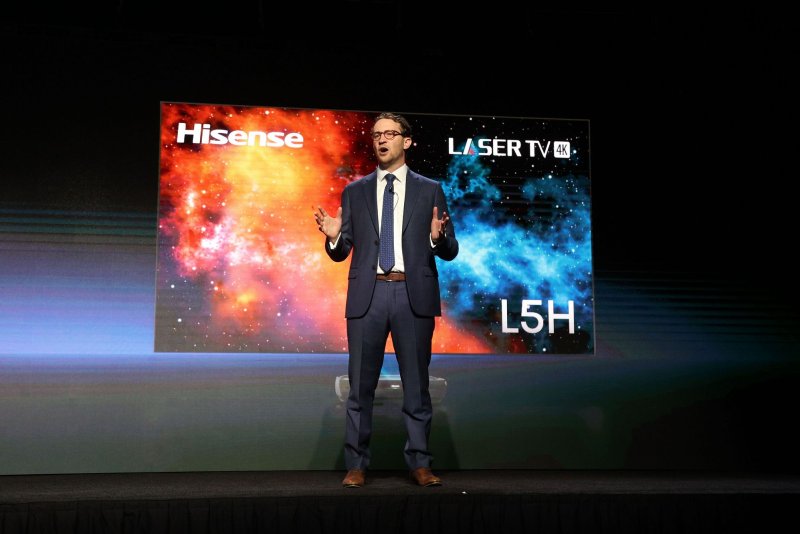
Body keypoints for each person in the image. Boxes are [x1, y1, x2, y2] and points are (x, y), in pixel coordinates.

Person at [314, 112, 458, 488]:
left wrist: (436, 239)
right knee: (360, 387)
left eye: (390, 134)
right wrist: (333, 236)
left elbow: (450, 248)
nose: (381, 140)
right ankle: (357, 465)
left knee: (416, 385)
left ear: (406, 141)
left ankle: (420, 464)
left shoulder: (430, 189)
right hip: (369, 295)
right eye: (376, 134)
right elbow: (342, 249)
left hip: (413, 295)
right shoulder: (355, 191)